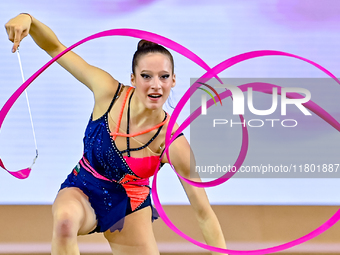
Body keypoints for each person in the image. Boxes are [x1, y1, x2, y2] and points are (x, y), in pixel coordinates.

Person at [5, 13, 227, 255]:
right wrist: (30, 20)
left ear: (173, 81)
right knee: (65, 222)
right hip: (82, 189)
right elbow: (56, 47)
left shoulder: (172, 143)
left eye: (164, 77)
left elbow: (204, 214)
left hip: (128, 206)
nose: (155, 84)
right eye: (146, 76)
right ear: (133, 78)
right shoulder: (108, 92)